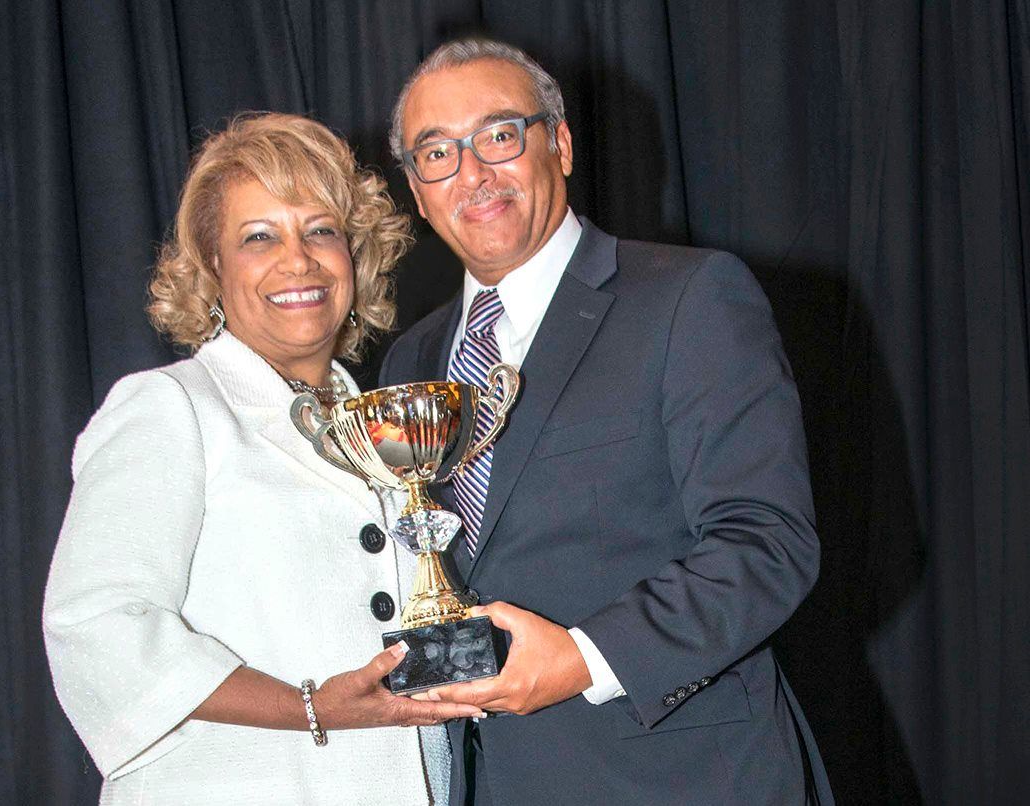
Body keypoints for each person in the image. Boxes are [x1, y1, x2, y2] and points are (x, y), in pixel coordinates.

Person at [380, 39, 836, 805]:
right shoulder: (408, 363)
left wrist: (585, 657)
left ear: (557, 144)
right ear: (418, 193)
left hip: (682, 779)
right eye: (437, 153)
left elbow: (767, 542)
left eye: (498, 135)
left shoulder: (689, 299)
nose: (473, 173)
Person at [42, 113, 484, 806]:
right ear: (213, 268)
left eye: (320, 230)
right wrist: (309, 707)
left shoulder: (381, 430)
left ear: (354, 253)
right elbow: (96, 627)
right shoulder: (170, 407)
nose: (298, 260)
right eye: (259, 238)